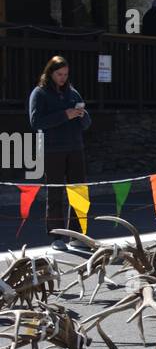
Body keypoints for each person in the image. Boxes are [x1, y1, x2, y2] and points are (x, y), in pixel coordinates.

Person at [28, 55, 92, 248]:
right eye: (59, 74)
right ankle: (56, 236)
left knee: (79, 191)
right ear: (50, 73)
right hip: (52, 149)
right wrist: (65, 115)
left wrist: (82, 115)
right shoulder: (39, 93)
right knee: (55, 192)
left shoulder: (73, 93)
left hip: (75, 147)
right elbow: (36, 122)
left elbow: (87, 123)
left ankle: (77, 234)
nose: (63, 78)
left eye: (65, 74)